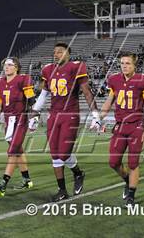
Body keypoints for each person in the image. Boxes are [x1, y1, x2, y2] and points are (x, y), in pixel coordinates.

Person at [32, 43, 99, 202]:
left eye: (60, 52)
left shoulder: (76, 67)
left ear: (68, 53)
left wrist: (96, 114)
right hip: (53, 115)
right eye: (54, 52)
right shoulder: (48, 69)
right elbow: (43, 95)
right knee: (55, 155)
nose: (56, 54)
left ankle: (78, 173)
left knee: (63, 153)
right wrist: (34, 114)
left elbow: (86, 92)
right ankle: (62, 190)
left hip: (70, 114)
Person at [99, 51, 144, 207]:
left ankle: (131, 196)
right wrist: (98, 118)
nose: (124, 66)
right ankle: (126, 180)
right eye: (122, 63)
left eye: (128, 63)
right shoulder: (114, 79)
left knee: (133, 163)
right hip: (120, 126)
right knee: (113, 162)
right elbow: (109, 101)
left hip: (136, 126)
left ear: (134, 64)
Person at [0, 57, 36, 197]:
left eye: (10, 65)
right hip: (8, 121)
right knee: (18, 151)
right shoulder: (0, 82)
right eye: (5, 65)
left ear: (17, 67)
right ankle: (27, 179)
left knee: (12, 151)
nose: (7, 67)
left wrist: (34, 117)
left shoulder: (23, 79)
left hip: (21, 119)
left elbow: (31, 100)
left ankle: (3, 183)